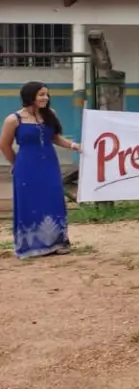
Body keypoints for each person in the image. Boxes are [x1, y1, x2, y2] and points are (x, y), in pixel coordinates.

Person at [3, 82, 79, 259]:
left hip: (49, 164)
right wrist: (15, 163)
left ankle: (57, 242)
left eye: (46, 94)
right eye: (41, 94)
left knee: (53, 198)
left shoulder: (50, 114)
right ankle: (31, 245)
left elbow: (55, 138)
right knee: (30, 202)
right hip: (26, 166)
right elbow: (4, 145)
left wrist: (73, 145)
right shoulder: (14, 119)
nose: (45, 98)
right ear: (30, 96)